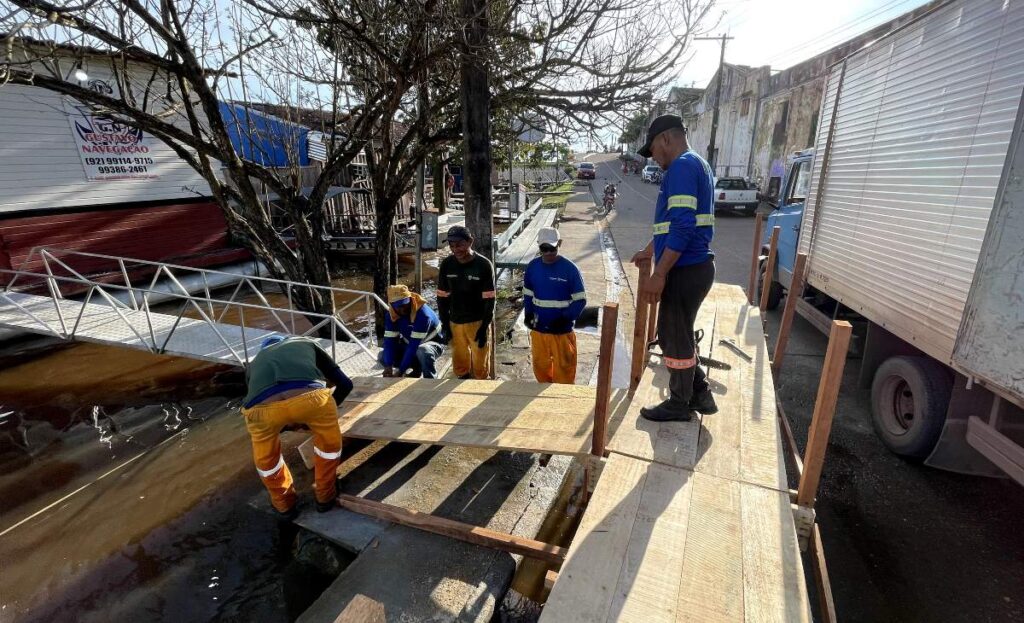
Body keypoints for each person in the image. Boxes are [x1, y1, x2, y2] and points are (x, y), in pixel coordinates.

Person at [630, 114, 717, 422]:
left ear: (666, 139)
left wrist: (659, 273)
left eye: (652, 148)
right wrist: (650, 249)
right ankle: (700, 393)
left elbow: (682, 225)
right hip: (694, 266)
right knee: (675, 335)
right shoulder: (697, 164)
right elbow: (672, 224)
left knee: (674, 338)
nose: (653, 156)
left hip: (685, 268)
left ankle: (681, 403)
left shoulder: (681, 167)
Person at [241, 335, 354, 518]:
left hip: (261, 412)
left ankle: (284, 506)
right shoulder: (305, 342)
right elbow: (345, 384)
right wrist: (320, 414)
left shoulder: (254, 364)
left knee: (267, 461)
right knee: (328, 446)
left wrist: (289, 424)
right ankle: (325, 497)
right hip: (309, 399)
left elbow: (259, 398)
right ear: (285, 340)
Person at [523, 227, 586, 383]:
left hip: (562, 331)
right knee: (540, 365)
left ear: (560, 244)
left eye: (552, 248)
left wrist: (565, 319)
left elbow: (581, 300)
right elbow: (528, 294)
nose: (549, 253)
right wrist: (528, 314)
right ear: (539, 247)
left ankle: (562, 398)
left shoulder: (570, 269)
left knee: (565, 367)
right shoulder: (532, 267)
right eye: (544, 249)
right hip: (539, 330)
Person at [437, 226, 496, 379]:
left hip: (477, 322)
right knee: (460, 365)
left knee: (481, 367)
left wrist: (484, 328)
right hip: (455, 323)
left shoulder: (483, 265)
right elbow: (442, 298)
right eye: (452, 245)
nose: (456, 249)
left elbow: (490, 300)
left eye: (460, 244)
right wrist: (445, 325)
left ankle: (481, 387)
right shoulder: (446, 264)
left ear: (470, 242)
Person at [380, 284, 445, 378]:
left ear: (410, 299)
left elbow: (413, 346)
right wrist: (388, 366)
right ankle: (417, 369)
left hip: (432, 343)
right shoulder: (391, 316)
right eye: (398, 306)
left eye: (405, 303)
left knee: (423, 351)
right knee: (383, 356)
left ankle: (430, 380)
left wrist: (401, 371)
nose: (403, 309)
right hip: (411, 343)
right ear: (391, 305)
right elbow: (389, 342)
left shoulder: (423, 315)